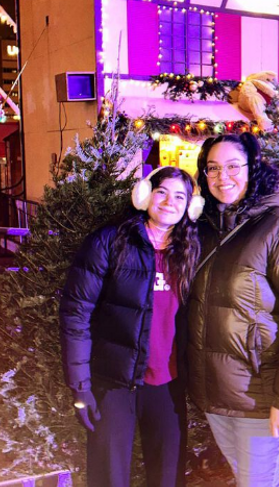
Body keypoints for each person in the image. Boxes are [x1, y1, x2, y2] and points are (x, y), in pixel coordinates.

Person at [191, 133, 279, 486]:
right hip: (216, 396)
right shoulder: (206, 229)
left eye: (233, 166)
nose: (222, 177)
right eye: (212, 168)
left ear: (252, 168)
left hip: (261, 398)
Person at [60, 166, 202, 487]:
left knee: (168, 478)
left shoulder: (192, 251)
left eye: (180, 196)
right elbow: (76, 315)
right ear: (144, 195)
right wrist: (80, 388)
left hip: (167, 385)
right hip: (113, 383)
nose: (169, 202)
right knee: (108, 478)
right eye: (162, 192)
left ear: (191, 207)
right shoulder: (110, 241)